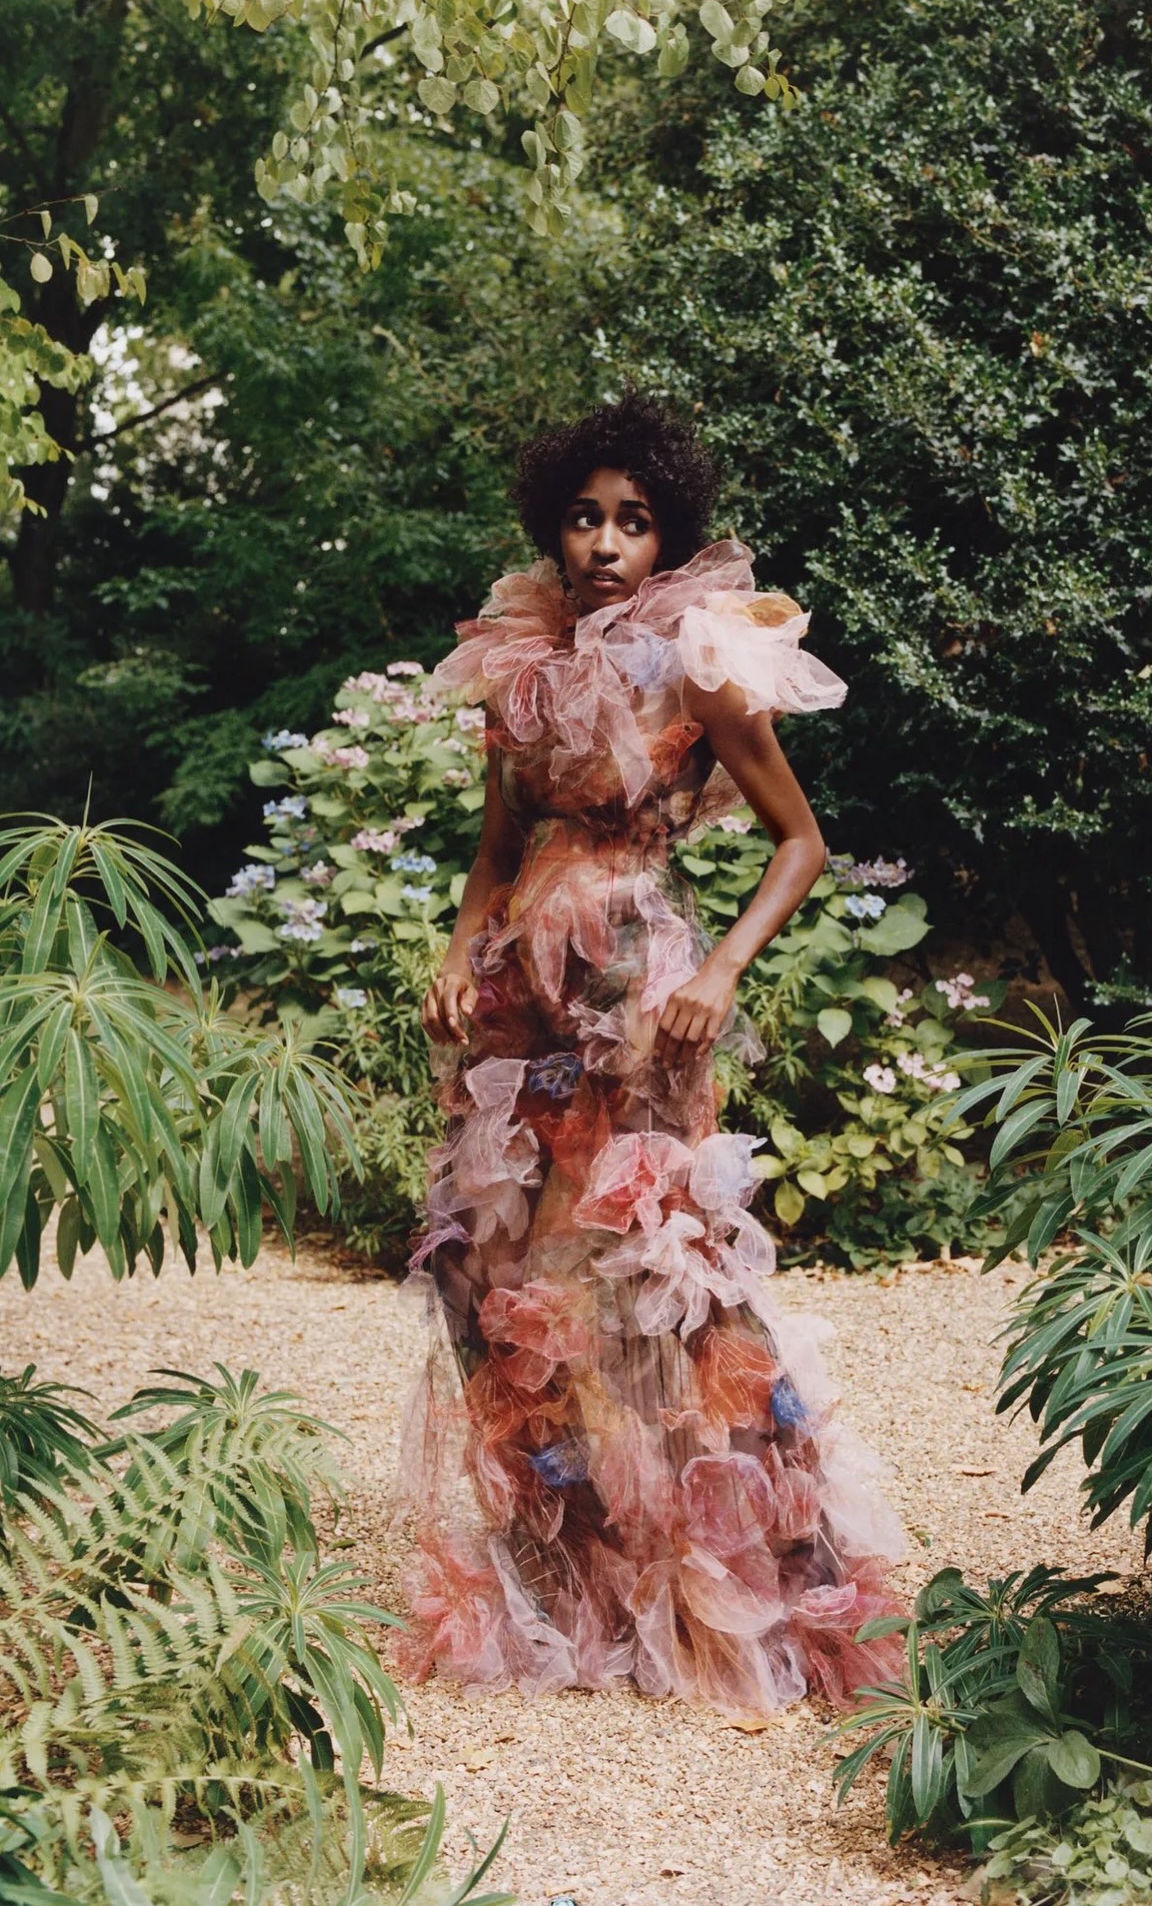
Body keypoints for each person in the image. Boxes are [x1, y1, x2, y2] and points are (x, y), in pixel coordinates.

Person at [386, 391, 905, 1721]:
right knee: (495, 1268)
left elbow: (802, 843)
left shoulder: (701, 660)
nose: (605, 543)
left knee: (661, 1275)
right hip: (523, 1006)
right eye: (584, 517)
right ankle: (578, 1572)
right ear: (553, 529)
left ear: (666, 536)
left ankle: (740, 1567)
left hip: (639, 1002)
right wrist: (459, 953)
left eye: (633, 521)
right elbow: (498, 849)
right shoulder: (521, 666)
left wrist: (721, 973)